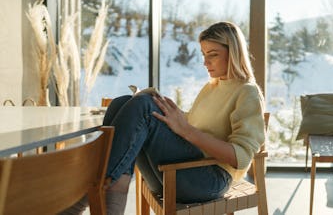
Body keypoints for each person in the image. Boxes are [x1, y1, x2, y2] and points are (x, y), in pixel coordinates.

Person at [61, 21, 266, 215]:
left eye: (212, 54)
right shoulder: (212, 86)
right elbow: (199, 125)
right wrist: (173, 113)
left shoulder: (247, 92)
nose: (205, 62)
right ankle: (115, 186)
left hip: (209, 180)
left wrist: (185, 129)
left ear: (234, 53)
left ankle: (87, 191)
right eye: (203, 54)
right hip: (174, 173)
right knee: (121, 102)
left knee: (144, 106)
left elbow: (241, 157)